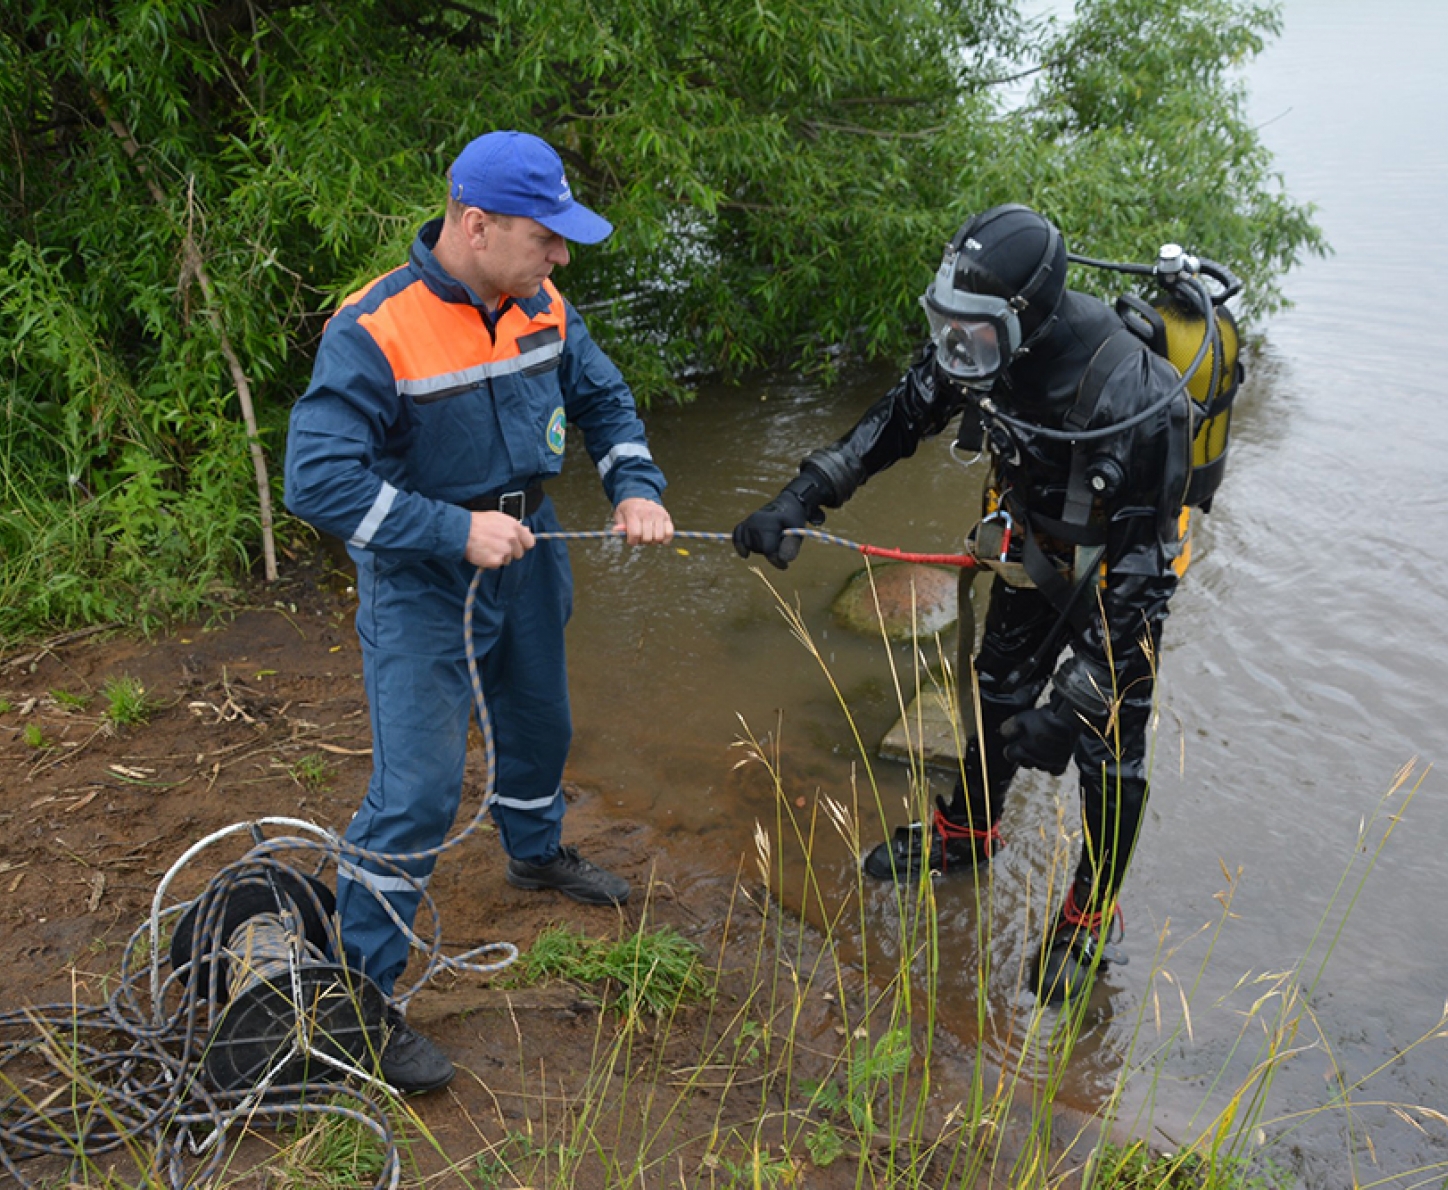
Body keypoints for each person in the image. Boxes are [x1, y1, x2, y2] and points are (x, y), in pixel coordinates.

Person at [734, 204, 1218, 1006]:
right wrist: (802, 496)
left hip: (1121, 574)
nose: (955, 351)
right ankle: (966, 836)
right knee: (995, 683)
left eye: (970, 334)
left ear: (1024, 318)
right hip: (1032, 548)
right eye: (947, 327)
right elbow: (897, 418)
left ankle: (1088, 918)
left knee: (1109, 748)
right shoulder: (979, 346)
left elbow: (1142, 577)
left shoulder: (1140, 399)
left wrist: (1079, 700)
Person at [284, 130, 673, 1091]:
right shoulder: (374, 327)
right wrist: (452, 533)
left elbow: (606, 402)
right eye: (547, 236)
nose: (561, 256)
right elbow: (316, 479)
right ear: (476, 224)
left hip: (530, 552)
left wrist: (637, 487)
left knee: (540, 726)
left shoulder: (540, 301)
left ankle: (534, 857)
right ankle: (357, 1006)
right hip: (424, 580)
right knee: (416, 791)